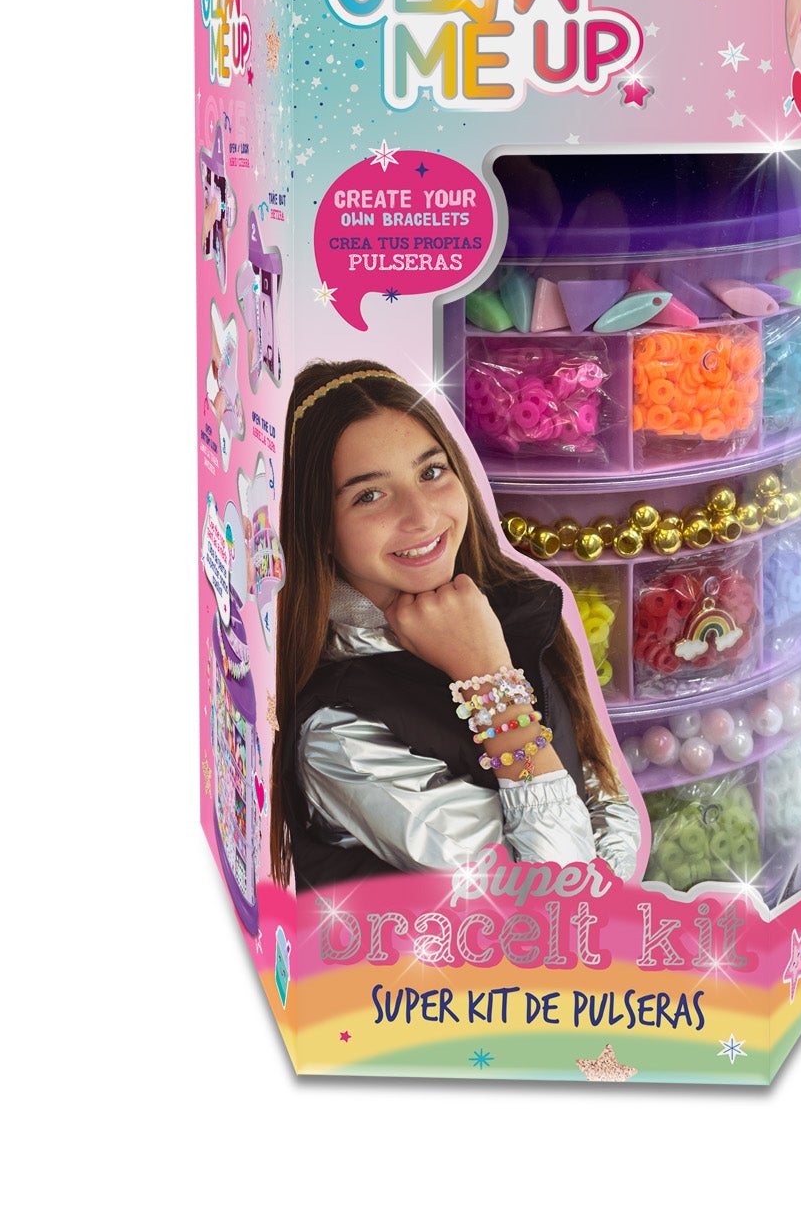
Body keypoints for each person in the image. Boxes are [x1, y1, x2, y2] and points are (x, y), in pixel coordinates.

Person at [270, 360, 640, 890]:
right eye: (369, 495)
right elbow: (556, 898)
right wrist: (491, 686)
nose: (422, 516)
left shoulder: (509, 607)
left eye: (431, 472)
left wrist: (603, 890)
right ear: (319, 527)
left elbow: (602, 791)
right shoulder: (337, 733)